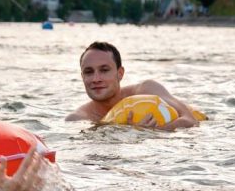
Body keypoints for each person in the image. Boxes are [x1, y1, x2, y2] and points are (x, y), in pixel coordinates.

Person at [65, 41, 198, 130]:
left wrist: (156, 131)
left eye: (104, 70)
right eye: (89, 72)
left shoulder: (147, 90)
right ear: (82, 77)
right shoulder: (78, 119)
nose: (96, 79)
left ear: (120, 73)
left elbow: (191, 120)